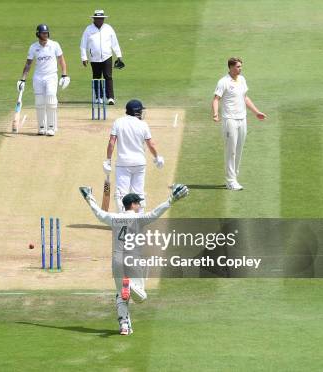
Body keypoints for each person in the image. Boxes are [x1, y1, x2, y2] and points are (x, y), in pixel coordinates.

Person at [79, 184, 190, 335]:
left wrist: (89, 197)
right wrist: (171, 199)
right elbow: (155, 213)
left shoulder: (114, 217)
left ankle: (124, 326)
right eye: (138, 203)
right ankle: (129, 285)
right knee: (141, 297)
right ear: (133, 204)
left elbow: (98, 213)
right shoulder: (139, 218)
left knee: (120, 295)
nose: (140, 206)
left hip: (117, 259)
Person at [211, 57, 266, 190]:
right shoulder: (223, 82)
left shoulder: (242, 79)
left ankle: (234, 177)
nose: (240, 69)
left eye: (241, 66)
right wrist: (215, 114)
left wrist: (256, 112)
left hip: (243, 119)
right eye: (238, 67)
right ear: (230, 67)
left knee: (239, 150)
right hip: (230, 120)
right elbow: (216, 99)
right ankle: (230, 181)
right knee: (231, 151)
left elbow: (245, 98)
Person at [103, 99, 164, 212]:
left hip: (123, 164)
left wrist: (108, 160)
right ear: (137, 112)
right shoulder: (143, 124)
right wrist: (157, 158)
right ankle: (139, 220)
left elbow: (112, 142)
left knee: (121, 194)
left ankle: (123, 221)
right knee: (138, 193)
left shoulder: (118, 122)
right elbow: (151, 145)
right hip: (139, 163)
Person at [17, 24, 69, 136]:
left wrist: (64, 75)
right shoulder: (33, 47)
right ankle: (41, 127)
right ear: (38, 34)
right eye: (43, 33)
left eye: (46, 33)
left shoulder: (55, 45)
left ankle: (51, 127)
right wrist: (22, 79)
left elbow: (61, 60)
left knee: (51, 99)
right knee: (39, 102)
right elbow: (28, 64)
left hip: (51, 76)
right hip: (38, 77)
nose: (45, 35)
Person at [80, 9, 124, 105]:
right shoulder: (88, 29)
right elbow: (83, 44)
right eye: (98, 18)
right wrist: (84, 57)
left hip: (107, 56)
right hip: (94, 57)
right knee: (96, 77)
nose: (100, 20)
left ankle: (110, 98)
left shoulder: (108, 28)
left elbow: (115, 43)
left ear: (104, 19)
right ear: (94, 19)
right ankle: (98, 97)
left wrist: (119, 56)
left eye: (101, 18)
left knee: (108, 76)